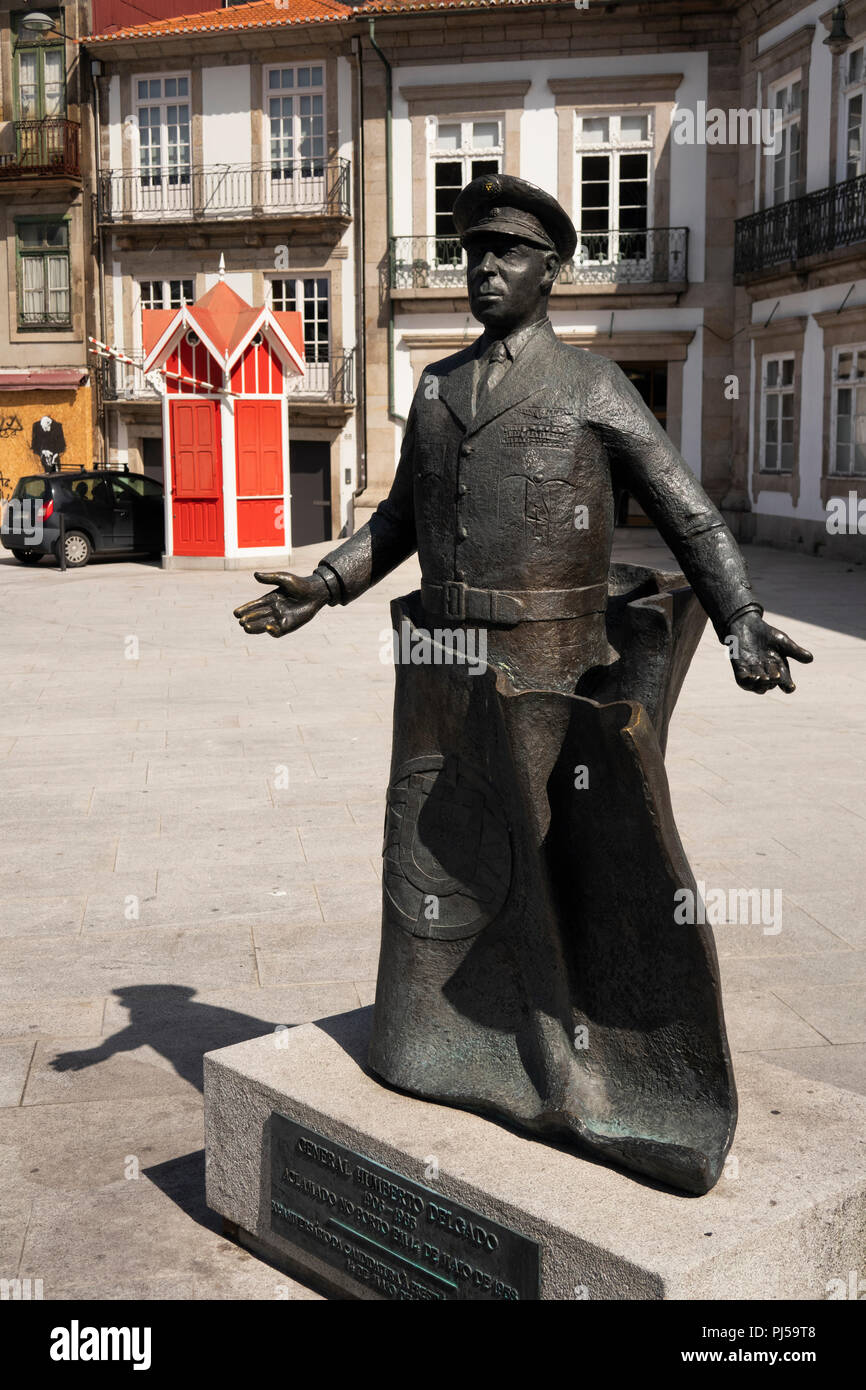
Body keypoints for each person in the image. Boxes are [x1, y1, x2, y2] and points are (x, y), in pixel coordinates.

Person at [234, 175, 812, 1194]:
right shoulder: (435, 388)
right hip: (439, 666)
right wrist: (321, 584)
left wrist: (741, 617)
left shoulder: (591, 388)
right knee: (433, 853)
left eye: (506, 256)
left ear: (551, 272)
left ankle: (569, 1061)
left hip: (547, 667)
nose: (483, 271)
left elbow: (686, 509)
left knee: (543, 871)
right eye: (472, 256)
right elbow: (399, 522)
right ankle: (431, 1041)